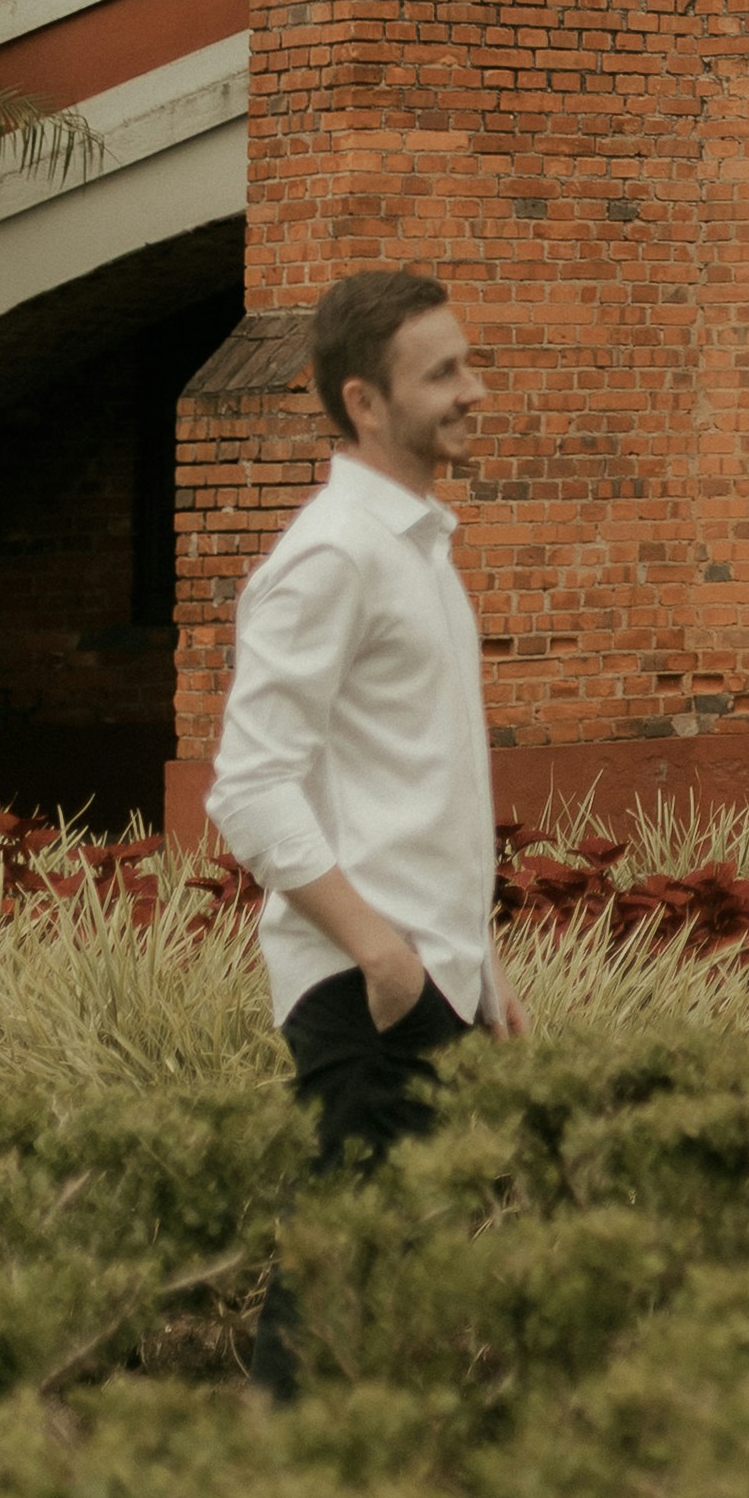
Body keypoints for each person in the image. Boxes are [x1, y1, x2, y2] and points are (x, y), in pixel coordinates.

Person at [208, 263, 527, 1196]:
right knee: (349, 1272)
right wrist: (384, 958)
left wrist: (477, 966)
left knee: (403, 1274)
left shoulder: (414, 547)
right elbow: (250, 788)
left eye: (466, 364)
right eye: (442, 373)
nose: (474, 391)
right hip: (366, 995)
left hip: (428, 982)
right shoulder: (331, 556)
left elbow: (427, 783)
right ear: (365, 402)